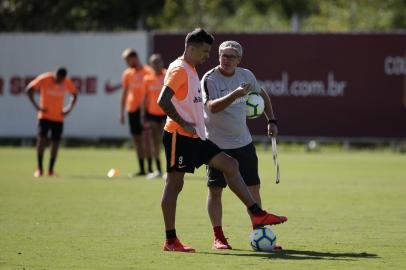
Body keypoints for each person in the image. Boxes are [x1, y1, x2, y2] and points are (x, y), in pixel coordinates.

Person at [157, 28, 287, 253]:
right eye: (207, 52)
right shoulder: (181, 70)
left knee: (231, 165)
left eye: (211, 52)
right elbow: (163, 100)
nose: (208, 56)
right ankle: (171, 240)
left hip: (198, 136)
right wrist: (182, 121)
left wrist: (271, 119)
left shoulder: (191, 67)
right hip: (180, 135)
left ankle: (257, 215)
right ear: (191, 48)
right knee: (174, 185)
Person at [201, 40, 282, 250]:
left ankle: (259, 232)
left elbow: (262, 94)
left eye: (232, 56)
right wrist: (236, 94)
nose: (227, 60)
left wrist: (271, 120)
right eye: (224, 56)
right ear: (218, 56)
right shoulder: (210, 78)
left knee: (253, 188)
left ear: (239, 59)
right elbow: (212, 107)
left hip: (243, 142)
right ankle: (218, 237)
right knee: (215, 190)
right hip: (216, 144)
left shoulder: (246, 75)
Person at [26, 67, 78, 177]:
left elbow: (75, 94)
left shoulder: (66, 82)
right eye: (59, 79)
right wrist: (37, 107)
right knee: (41, 141)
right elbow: (29, 89)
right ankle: (40, 169)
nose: (60, 82)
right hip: (44, 117)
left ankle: (50, 170)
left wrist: (68, 108)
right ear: (56, 75)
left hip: (58, 118)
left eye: (62, 80)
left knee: (55, 144)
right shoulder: (45, 79)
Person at [120, 48, 153, 176]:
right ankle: (142, 169)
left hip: (144, 110)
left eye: (127, 60)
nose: (127, 63)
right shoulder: (127, 74)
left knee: (147, 140)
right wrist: (122, 112)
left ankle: (150, 169)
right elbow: (124, 93)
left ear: (135, 57)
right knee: (137, 140)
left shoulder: (148, 71)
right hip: (132, 110)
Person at [143, 54, 167, 179]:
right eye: (154, 63)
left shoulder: (167, 75)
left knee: (166, 142)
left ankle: (169, 170)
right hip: (152, 114)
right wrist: (143, 115)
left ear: (162, 63)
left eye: (158, 62)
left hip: (166, 114)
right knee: (154, 142)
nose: (156, 65)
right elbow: (145, 98)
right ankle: (157, 169)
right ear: (151, 65)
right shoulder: (147, 78)